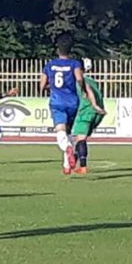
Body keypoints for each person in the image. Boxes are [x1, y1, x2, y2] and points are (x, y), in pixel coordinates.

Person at [39, 34, 94, 175]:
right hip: (72, 102)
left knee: (60, 130)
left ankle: (67, 148)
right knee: (68, 131)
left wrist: (50, 87)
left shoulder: (50, 65)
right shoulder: (74, 64)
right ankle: (67, 166)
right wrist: (83, 90)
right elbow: (79, 79)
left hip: (57, 101)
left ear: (57, 49)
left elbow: (42, 85)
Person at [69, 58, 106, 175]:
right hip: (96, 114)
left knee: (80, 139)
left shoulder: (80, 81)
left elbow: (88, 90)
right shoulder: (92, 81)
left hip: (86, 112)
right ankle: (72, 165)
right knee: (78, 139)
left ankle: (83, 167)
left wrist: (94, 105)